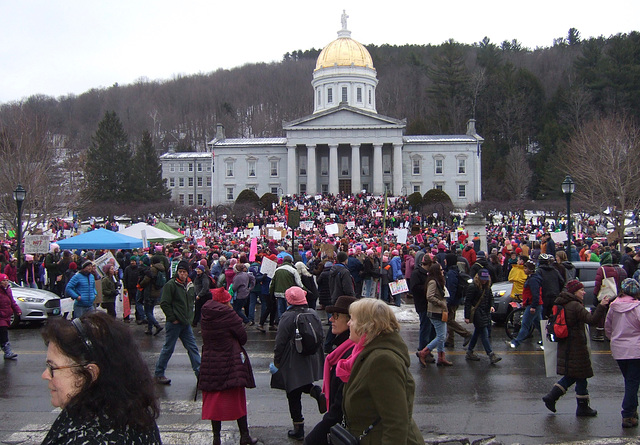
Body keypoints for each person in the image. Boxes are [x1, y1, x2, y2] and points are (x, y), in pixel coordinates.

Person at [40, 312, 161, 444]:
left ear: (89, 374)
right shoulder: (135, 413)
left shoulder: (87, 438)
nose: (45, 375)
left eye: (53, 367)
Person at [342, 298, 424, 444]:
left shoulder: (381, 360)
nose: (348, 323)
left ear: (366, 325)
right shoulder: (365, 353)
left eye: (352, 319)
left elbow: (396, 423)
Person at [198, 281, 258, 445]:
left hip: (210, 360)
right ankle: (244, 436)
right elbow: (242, 338)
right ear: (225, 301)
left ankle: (216, 438)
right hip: (230, 360)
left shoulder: (206, 314)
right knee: (236, 399)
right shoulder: (229, 315)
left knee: (214, 400)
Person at [542, 279, 610, 416]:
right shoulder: (575, 306)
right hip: (576, 346)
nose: (584, 292)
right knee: (578, 375)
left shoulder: (563, 302)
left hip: (566, 345)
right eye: (581, 290)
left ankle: (577, 405)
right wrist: (602, 306)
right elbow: (592, 320)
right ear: (574, 291)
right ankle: (556, 398)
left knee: (577, 376)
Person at [273, 286, 325, 441]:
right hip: (310, 356)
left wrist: (277, 360)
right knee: (301, 382)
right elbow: (320, 334)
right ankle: (315, 391)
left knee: (292, 391)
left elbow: (280, 341)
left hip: (292, 357)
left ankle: (299, 428)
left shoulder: (287, 317)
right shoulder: (313, 313)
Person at [305, 295, 356, 445]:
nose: (330, 320)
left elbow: (339, 407)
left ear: (349, 320)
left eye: (336, 316)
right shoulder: (341, 347)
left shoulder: (349, 355)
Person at [154, 260, 201, 385]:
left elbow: (191, 303)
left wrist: (190, 318)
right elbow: (164, 303)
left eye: (184, 272)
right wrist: (172, 317)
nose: (182, 274)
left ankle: (200, 374)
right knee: (168, 348)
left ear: (188, 273)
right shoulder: (171, 285)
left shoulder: (190, 285)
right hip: (174, 323)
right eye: (180, 272)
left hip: (185, 323)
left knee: (193, 348)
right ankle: (159, 373)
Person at [605, 277, 640, 428]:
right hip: (635, 349)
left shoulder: (613, 306)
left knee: (630, 380)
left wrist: (613, 339)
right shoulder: (637, 307)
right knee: (632, 382)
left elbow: (608, 326)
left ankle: (632, 410)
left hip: (618, 349)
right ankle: (627, 413)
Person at [418, 262, 452, 366]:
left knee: (442, 334)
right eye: (441, 270)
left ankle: (441, 357)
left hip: (441, 311)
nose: (443, 272)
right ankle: (423, 352)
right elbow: (429, 296)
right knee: (441, 336)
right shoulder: (433, 282)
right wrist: (440, 303)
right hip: (435, 311)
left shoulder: (438, 281)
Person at [463, 269, 501, 364]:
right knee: (484, 333)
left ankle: (470, 351)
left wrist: (492, 306)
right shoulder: (473, 287)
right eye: (482, 279)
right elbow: (468, 302)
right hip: (477, 312)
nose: (484, 281)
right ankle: (491, 354)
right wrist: (467, 316)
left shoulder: (487, 286)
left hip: (485, 312)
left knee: (478, 331)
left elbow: (490, 297)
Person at [508, 260, 543, 349]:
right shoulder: (532, 278)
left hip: (533, 305)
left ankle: (516, 342)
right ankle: (546, 340)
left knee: (525, 324)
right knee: (539, 325)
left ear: (531, 269)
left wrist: (533, 306)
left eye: (526, 268)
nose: (524, 270)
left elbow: (535, 294)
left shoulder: (533, 280)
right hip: (534, 304)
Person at [410, 255, 435, 364]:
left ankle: (427, 349)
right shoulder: (417, 273)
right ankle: (423, 350)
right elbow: (414, 288)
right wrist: (428, 288)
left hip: (430, 305)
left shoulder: (430, 274)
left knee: (432, 329)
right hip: (422, 304)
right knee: (425, 328)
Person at [0, 274, 21, 359]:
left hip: (6, 316)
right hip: (1, 316)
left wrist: (17, 310)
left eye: (7, 280)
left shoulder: (8, 290)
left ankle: (6, 351)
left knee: (3, 334)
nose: (5, 282)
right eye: (3, 281)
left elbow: (12, 301)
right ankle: (7, 351)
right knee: (3, 333)